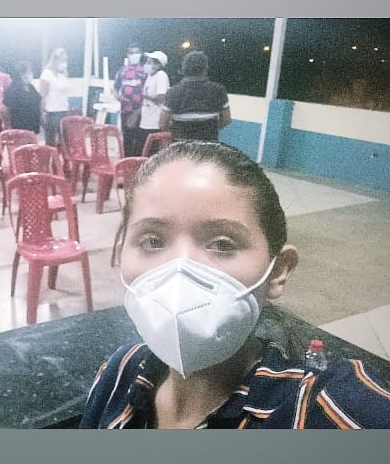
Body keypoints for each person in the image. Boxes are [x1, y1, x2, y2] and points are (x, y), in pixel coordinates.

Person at [80, 141, 390, 428]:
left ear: (278, 271)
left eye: (222, 244)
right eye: (152, 240)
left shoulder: (329, 409)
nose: (179, 270)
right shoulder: (119, 373)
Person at [160, 50, 231, 143]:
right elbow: (226, 120)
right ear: (205, 68)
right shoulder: (219, 90)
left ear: (184, 69)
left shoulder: (172, 92)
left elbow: (162, 124)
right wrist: (209, 130)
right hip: (209, 145)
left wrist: (176, 131)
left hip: (181, 146)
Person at [113, 43, 148, 157]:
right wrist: (118, 97)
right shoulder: (122, 71)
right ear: (128, 55)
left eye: (137, 52)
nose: (134, 55)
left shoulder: (144, 71)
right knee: (127, 138)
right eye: (132, 53)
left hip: (141, 111)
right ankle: (127, 160)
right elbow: (115, 88)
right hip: (125, 110)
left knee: (139, 139)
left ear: (141, 54)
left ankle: (138, 161)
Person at [39, 48, 72, 147]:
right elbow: (43, 94)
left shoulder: (62, 75)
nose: (64, 62)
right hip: (52, 112)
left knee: (65, 141)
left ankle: (63, 157)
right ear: (55, 59)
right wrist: (42, 113)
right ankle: (50, 157)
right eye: (62, 60)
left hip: (64, 110)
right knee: (51, 141)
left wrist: (65, 74)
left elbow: (66, 90)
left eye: (66, 60)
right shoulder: (46, 73)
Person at [3, 62, 42, 133]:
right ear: (18, 74)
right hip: (19, 127)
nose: (28, 75)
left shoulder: (31, 87)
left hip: (33, 125)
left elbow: (38, 100)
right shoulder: (12, 89)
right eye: (25, 73)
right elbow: (6, 110)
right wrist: (8, 127)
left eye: (30, 72)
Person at [140, 51, 170, 140]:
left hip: (155, 123)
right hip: (146, 121)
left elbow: (162, 98)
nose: (146, 64)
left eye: (149, 62)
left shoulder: (161, 75)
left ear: (157, 65)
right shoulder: (149, 77)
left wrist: (146, 97)